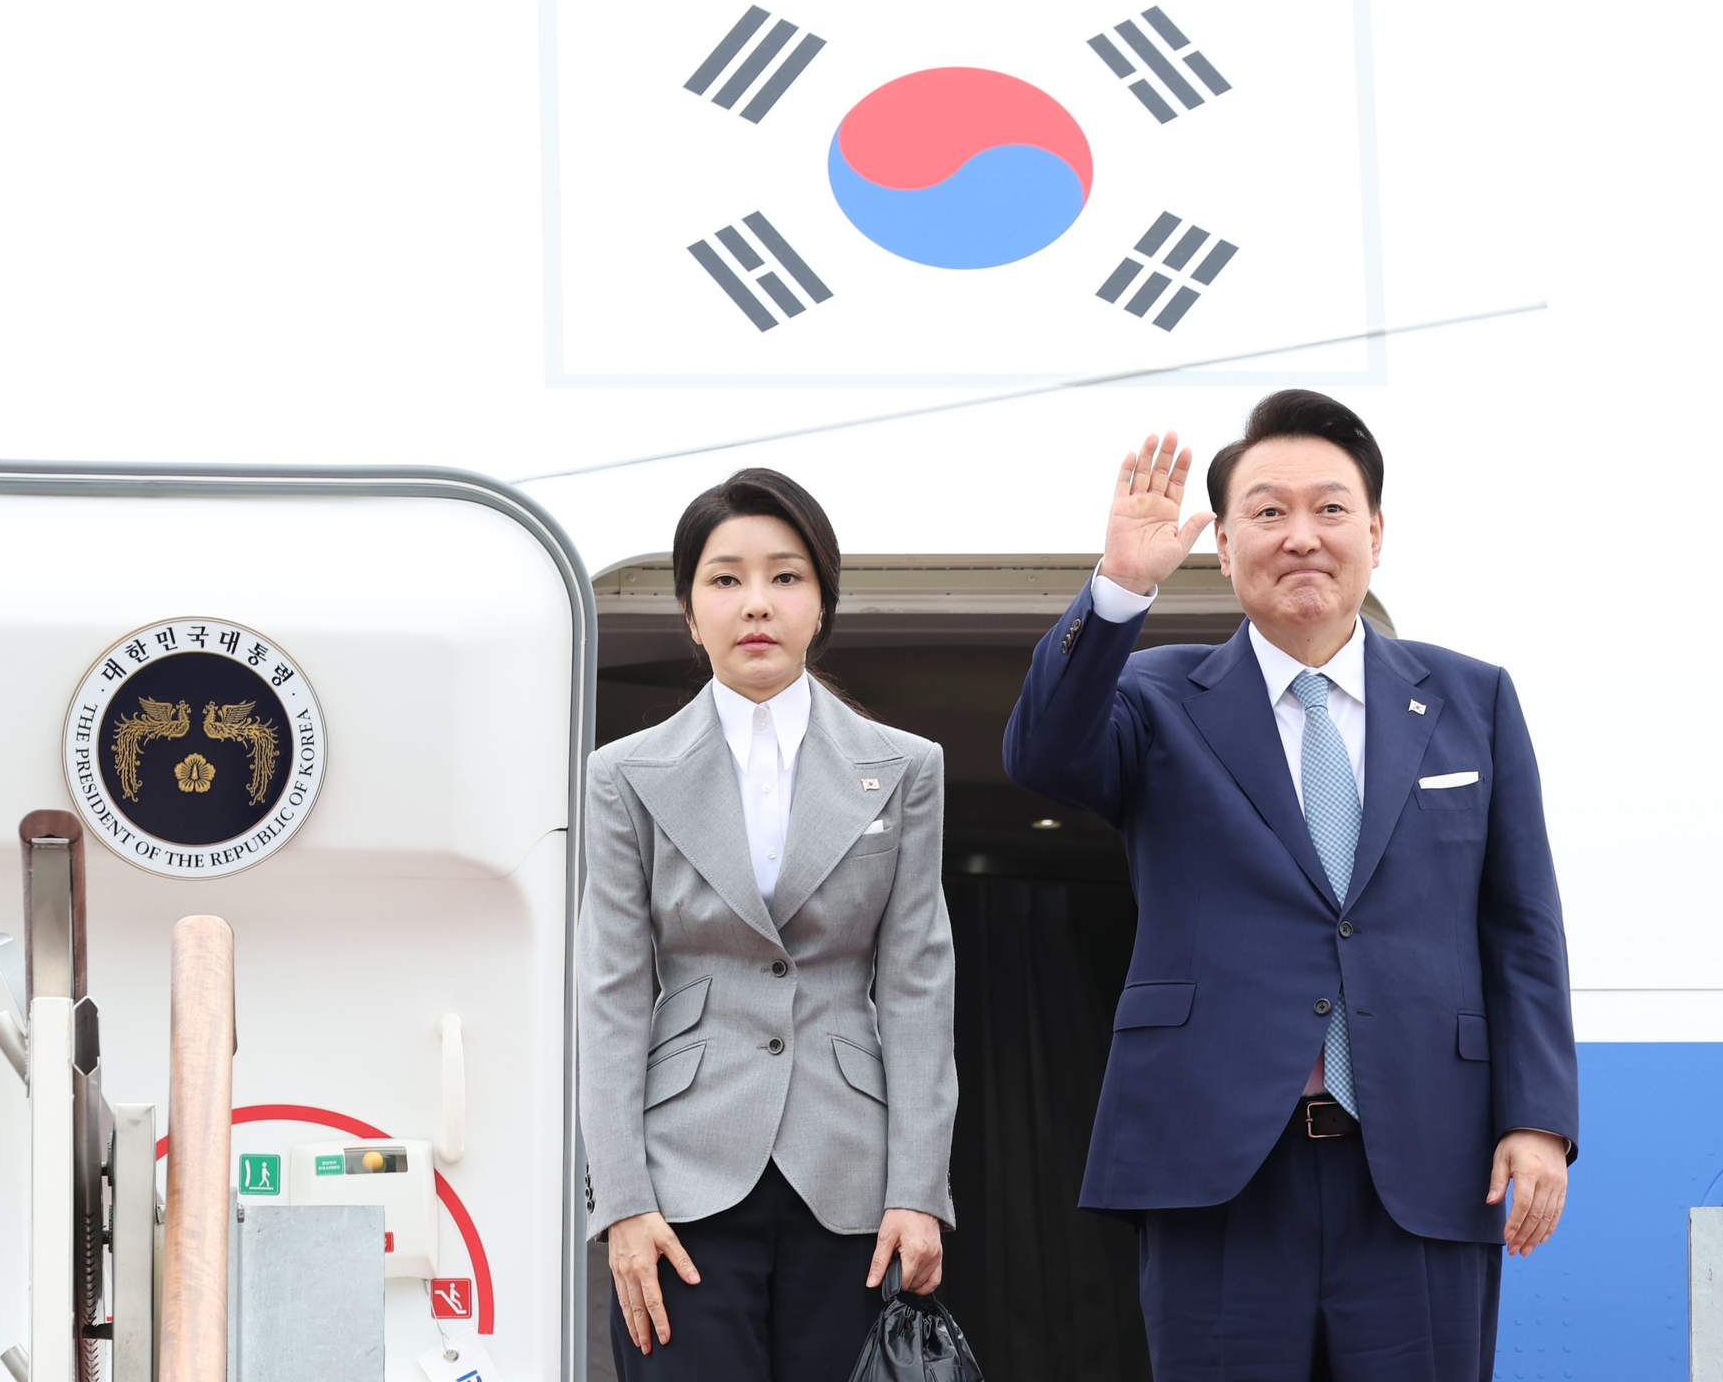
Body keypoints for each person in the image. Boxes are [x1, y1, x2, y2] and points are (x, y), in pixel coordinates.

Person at [1003, 391, 1577, 1380]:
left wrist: (1538, 1121)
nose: (1300, 536)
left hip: (1427, 1159)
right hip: (1219, 1166)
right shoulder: (1155, 695)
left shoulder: (1472, 700)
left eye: (1329, 509)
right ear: (1222, 545)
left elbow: (1520, 929)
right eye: (1268, 513)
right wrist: (1117, 593)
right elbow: (1043, 755)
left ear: (1376, 533)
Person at [578, 468, 957, 1381]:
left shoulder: (903, 768)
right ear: (688, 609)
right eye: (725, 579)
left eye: (786, 577)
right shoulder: (624, 775)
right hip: (681, 1177)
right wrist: (622, 1201)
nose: (757, 603)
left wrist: (918, 1189)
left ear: (821, 605)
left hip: (853, 1176)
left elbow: (915, 983)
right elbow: (612, 993)